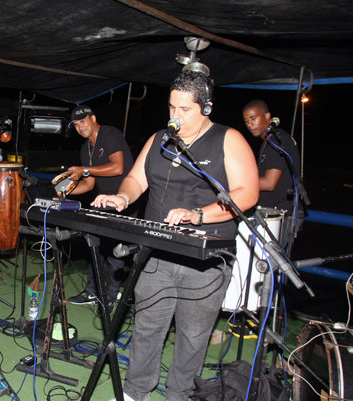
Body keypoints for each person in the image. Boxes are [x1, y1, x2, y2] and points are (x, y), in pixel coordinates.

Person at [94, 71, 259, 401]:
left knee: (193, 337)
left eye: (184, 109)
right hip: (155, 252)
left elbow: (248, 193)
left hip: (205, 258)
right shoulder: (159, 139)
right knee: (147, 327)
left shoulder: (228, 139)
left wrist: (199, 215)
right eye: (171, 107)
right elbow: (136, 179)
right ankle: (134, 392)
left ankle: (179, 396)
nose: (175, 117)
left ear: (206, 108)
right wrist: (123, 198)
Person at [65, 105, 135, 312]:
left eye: (83, 122)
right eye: (76, 125)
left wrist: (83, 169)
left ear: (93, 118)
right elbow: (88, 184)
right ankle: (92, 291)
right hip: (103, 202)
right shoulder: (85, 148)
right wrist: (65, 190)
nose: (80, 127)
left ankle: (111, 297)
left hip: (123, 202)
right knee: (94, 245)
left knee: (115, 252)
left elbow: (118, 167)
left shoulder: (109, 134)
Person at [242, 99, 302, 215]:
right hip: (270, 211)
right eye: (246, 121)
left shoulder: (276, 141)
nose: (249, 124)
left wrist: (237, 183)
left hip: (280, 214)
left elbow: (269, 183)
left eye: (253, 118)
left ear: (267, 116)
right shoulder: (268, 142)